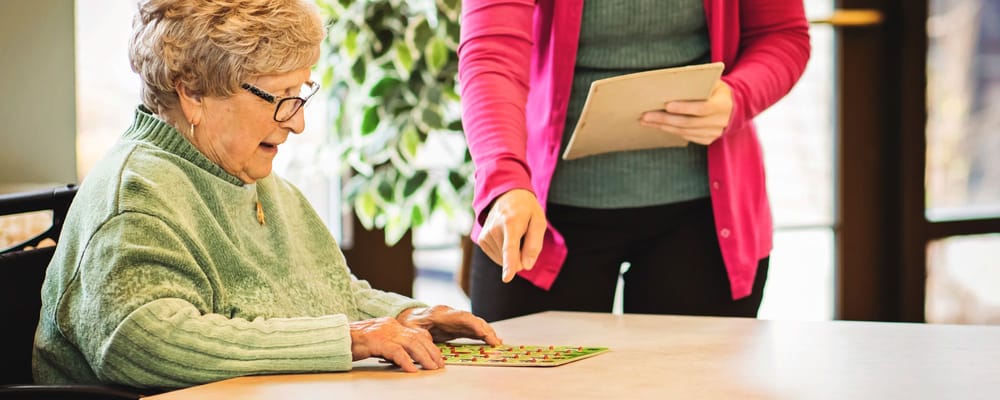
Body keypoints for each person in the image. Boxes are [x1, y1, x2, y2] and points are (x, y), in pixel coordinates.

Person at [33, 0, 500, 390]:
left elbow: (326, 295)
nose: (298, 121)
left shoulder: (251, 178)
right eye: (280, 96)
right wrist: (351, 339)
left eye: (301, 94)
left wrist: (409, 316)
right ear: (193, 93)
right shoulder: (135, 195)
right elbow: (141, 341)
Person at [458, 0, 811, 322]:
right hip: (540, 216)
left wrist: (738, 96)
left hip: (704, 216)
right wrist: (504, 179)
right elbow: (492, 54)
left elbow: (782, 35)